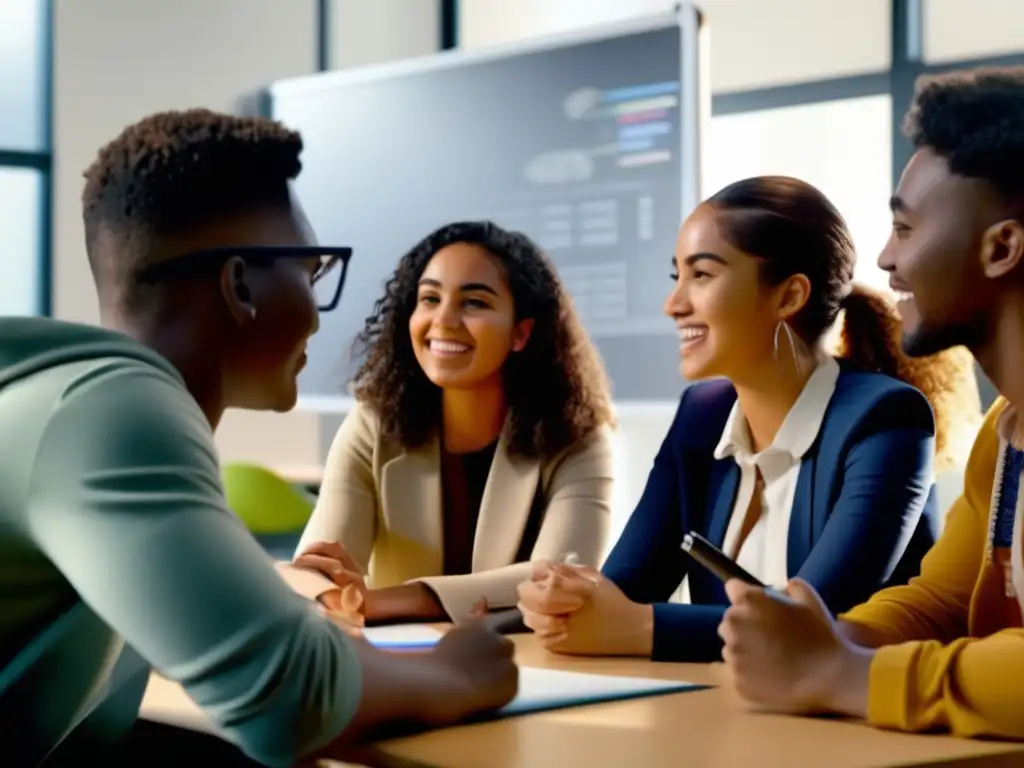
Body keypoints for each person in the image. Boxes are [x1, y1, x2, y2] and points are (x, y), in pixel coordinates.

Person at [0, 109, 518, 768]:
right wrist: (457, 671)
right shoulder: (113, 411)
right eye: (312, 270)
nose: (315, 308)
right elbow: (287, 698)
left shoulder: (66, 397)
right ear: (241, 283)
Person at [516, 175, 981, 662]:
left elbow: (816, 619)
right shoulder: (700, 416)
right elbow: (624, 590)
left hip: (857, 717)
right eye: (678, 277)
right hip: (729, 708)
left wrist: (638, 628)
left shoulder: (886, 420)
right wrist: (567, 600)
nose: (673, 305)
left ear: (789, 296)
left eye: (702, 275)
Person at [716, 67, 1024, 741]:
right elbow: (938, 601)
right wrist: (828, 636)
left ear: (1001, 246)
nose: (885, 259)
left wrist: (843, 676)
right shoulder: (1003, 439)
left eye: (905, 229)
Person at [285, 221, 616, 625]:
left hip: (526, 664)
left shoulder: (577, 435)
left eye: (474, 302)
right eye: (429, 298)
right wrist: (326, 585)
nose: (443, 320)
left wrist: (382, 601)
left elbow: (564, 578)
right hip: (399, 665)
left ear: (520, 333)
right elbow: (316, 571)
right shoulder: (373, 423)